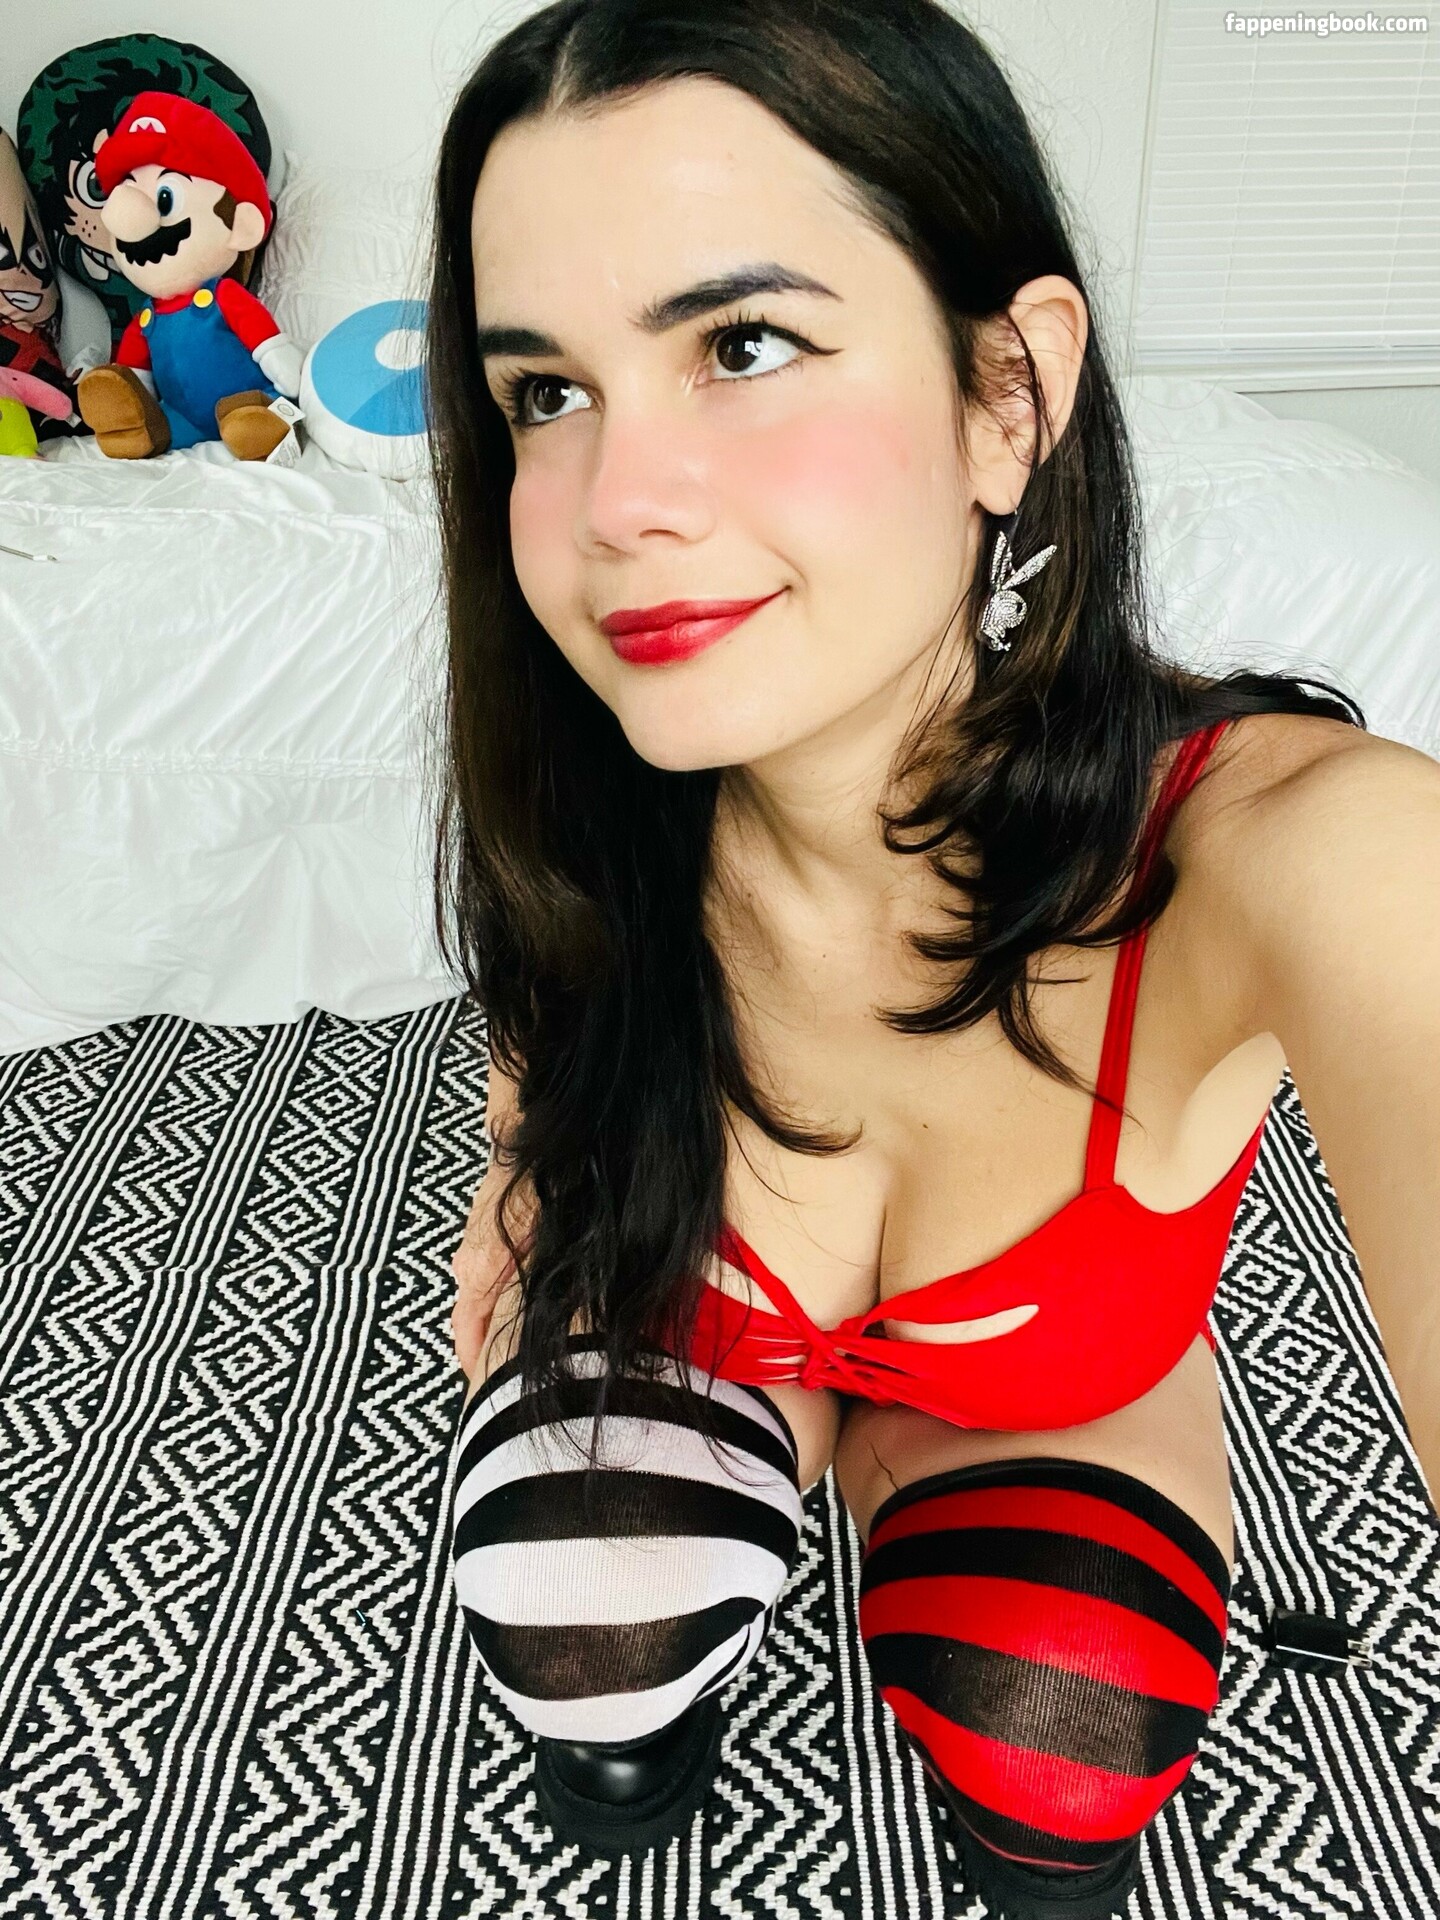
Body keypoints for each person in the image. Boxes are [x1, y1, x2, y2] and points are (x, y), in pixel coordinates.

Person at [426, 2, 1440, 1911]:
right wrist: (517, 1148)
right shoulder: (595, 781)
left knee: (1065, 1717)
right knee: (581, 1625)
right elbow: (550, 973)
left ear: (1008, 395)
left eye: (743, 344)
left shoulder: (1306, 849)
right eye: (545, 393)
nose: (616, 510)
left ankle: (943, 1484)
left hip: (1053, 1365)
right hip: (691, 1284)